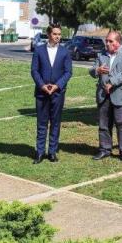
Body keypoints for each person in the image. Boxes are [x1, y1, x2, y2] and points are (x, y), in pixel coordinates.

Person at [30, 23, 73, 163]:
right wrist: (42, 85)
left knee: (55, 123)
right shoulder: (39, 50)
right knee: (42, 123)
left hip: (57, 93)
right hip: (42, 93)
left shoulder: (65, 52)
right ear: (49, 34)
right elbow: (34, 70)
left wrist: (57, 86)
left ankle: (52, 152)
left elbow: (68, 72)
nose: (57, 37)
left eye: (59, 34)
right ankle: (40, 152)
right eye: (55, 34)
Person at [89, 30, 122, 161]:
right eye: (106, 41)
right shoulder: (101, 55)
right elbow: (91, 71)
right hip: (103, 95)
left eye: (110, 41)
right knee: (103, 124)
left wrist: (111, 83)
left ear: (118, 43)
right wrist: (97, 70)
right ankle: (104, 149)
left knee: (121, 124)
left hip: (120, 95)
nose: (107, 43)